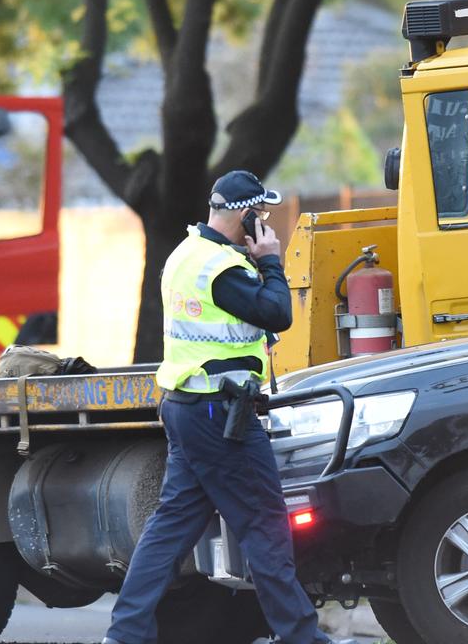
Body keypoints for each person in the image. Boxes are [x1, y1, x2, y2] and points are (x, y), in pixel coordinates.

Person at [104, 171, 348, 644]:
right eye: (262, 214)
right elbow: (278, 312)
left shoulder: (185, 255)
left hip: (186, 406)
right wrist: (271, 261)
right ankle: (301, 636)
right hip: (221, 415)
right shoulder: (221, 270)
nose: (266, 222)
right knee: (265, 525)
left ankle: (125, 634)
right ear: (245, 215)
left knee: (170, 529)